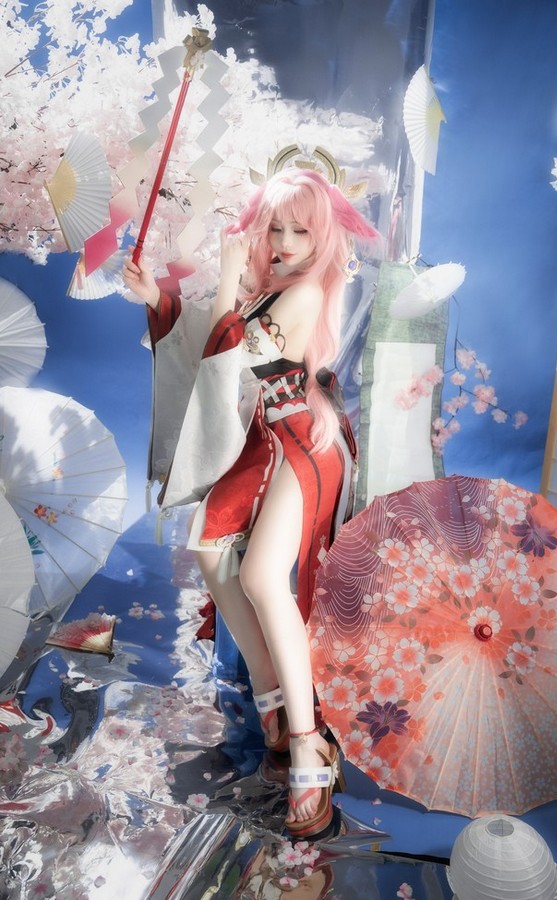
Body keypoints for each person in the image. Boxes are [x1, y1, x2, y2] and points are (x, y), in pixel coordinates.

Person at [123, 166, 378, 838]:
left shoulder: (306, 292)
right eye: (276, 228)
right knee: (210, 549)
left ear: (323, 239)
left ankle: (308, 744)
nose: (286, 242)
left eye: (302, 231)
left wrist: (229, 278)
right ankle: (274, 705)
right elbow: (208, 342)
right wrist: (157, 298)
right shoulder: (267, 286)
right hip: (264, 436)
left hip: (306, 440)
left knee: (263, 575)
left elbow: (230, 357)